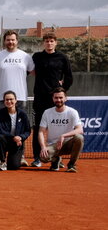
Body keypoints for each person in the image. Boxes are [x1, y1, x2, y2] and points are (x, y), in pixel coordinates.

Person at [31, 33, 73, 168]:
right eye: (47, 41)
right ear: (43, 43)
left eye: (51, 41)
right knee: (38, 128)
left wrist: (62, 90)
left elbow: (69, 76)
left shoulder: (62, 58)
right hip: (40, 98)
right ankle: (37, 157)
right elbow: (30, 71)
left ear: (56, 43)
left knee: (57, 129)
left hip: (55, 100)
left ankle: (56, 158)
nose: (49, 43)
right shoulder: (36, 57)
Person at [37, 87, 83, 172]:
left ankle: (72, 165)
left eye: (61, 97)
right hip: (53, 145)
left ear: (65, 98)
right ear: (53, 99)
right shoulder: (47, 112)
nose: (58, 100)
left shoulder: (72, 112)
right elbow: (41, 132)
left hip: (68, 144)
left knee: (79, 138)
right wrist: (43, 147)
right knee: (43, 157)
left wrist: (63, 135)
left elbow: (80, 130)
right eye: (56, 98)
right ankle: (55, 160)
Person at [0, 30, 34, 109]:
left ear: (17, 41)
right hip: (2, 97)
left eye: (13, 40)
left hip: (20, 97)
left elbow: (34, 72)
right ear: (4, 41)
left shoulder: (25, 56)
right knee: (3, 121)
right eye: (8, 40)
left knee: (19, 121)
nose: (10, 42)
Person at [0, 91, 31, 171]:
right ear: (4, 101)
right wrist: (14, 137)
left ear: (16, 100)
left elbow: (27, 131)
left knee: (13, 166)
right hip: (5, 141)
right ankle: (2, 161)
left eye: (11, 99)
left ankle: (17, 159)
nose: (9, 101)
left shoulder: (23, 114)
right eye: (7, 100)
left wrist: (20, 137)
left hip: (17, 144)